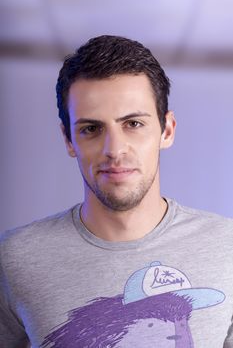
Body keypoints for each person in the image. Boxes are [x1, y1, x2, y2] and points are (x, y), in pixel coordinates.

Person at [0, 35, 232, 348]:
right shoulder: (13, 259)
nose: (114, 149)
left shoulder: (227, 248)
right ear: (69, 140)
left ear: (167, 130)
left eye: (133, 124)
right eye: (91, 129)